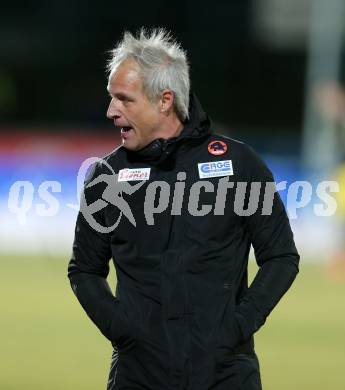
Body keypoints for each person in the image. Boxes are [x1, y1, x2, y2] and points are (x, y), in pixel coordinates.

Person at [68, 28, 300, 390]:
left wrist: (238, 326)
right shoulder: (106, 176)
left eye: (124, 99)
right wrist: (124, 331)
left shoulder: (239, 164)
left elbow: (282, 257)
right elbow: (84, 269)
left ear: (164, 100)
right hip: (138, 375)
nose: (111, 111)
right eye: (111, 98)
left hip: (225, 374)